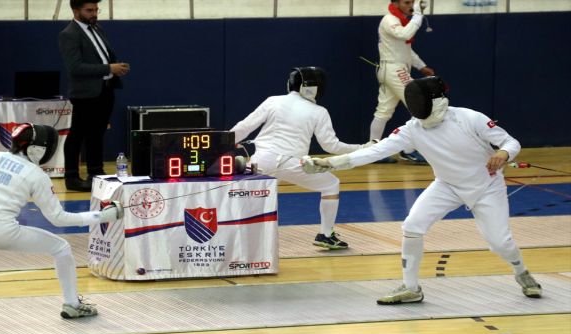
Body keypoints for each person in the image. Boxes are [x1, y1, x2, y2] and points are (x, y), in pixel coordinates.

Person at [303, 76, 542, 303]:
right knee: (412, 226)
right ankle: (410, 288)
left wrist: (503, 153)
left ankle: (522, 272)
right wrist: (330, 163)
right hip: (446, 185)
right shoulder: (412, 129)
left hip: (487, 186)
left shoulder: (469, 118)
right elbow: (374, 152)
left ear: (436, 101)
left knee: (500, 243)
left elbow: (511, 142)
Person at [0, 123, 124, 318]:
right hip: (1, 232)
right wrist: (104, 216)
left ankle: (73, 304)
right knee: (61, 248)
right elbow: (59, 219)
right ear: (36, 149)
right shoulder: (36, 175)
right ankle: (72, 303)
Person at [230, 66, 373, 250]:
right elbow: (331, 146)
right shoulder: (318, 111)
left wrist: (221, 144)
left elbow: (244, 126)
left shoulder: (272, 101)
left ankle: (234, 235)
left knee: (249, 196)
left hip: (261, 160)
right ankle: (326, 235)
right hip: (291, 163)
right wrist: (362, 148)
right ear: (314, 88)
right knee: (330, 184)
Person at [59, 0, 130, 191]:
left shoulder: (97, 29)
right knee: (77, 134)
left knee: (97, 133)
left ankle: (95, 172)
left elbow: (103, 55)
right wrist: (109, 68)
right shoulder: (69, 34)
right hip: (85, 93)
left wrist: (115, 68)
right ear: (75, 11)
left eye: (96, 10)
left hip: (104, 89)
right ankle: (72, 177)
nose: (94, 13)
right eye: (89, 10)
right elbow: (75, 67)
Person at [370, 0, 434, 164]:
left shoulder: (400, 21)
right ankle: (408, 150)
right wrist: (418, 15)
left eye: (412, 2)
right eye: (406, 2)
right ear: (396, 3)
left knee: (384, 111)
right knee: (418, 104)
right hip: (394, 70)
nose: (410, 5)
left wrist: (421, 66)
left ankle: (372, 151)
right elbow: (405, 34)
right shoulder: (390, 20)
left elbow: (406, 49)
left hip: (392, 70)